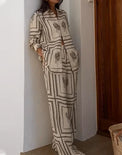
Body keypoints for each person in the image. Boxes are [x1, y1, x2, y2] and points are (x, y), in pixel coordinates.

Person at [29, 0, 85, 154]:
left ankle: (64, 140)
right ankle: (63, 145)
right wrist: (46, 56)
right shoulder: (38, 16)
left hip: (70, 62)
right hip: (53, 65)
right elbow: (33, 41)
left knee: (69, 102)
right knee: (58, 105)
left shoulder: (63, 14)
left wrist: (73, 53)